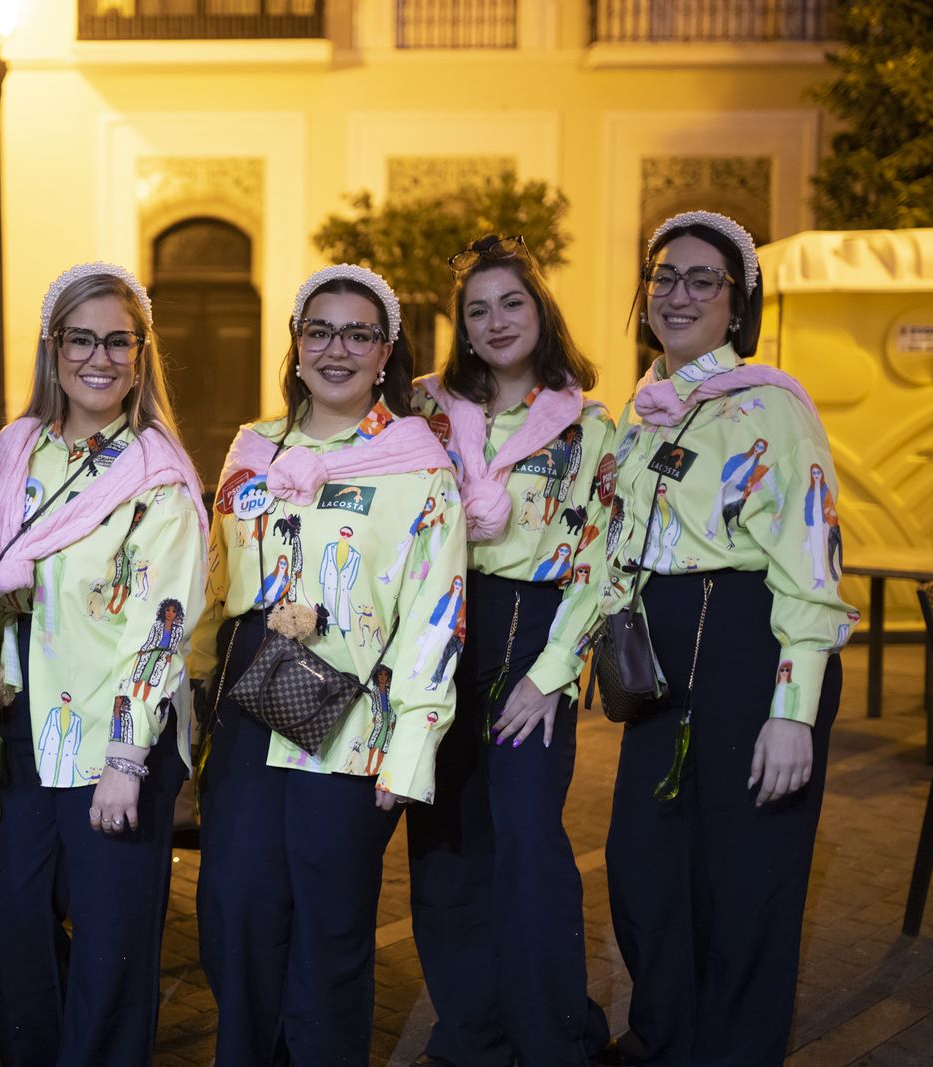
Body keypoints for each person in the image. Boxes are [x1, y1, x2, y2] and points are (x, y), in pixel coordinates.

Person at [190, 264, 467, 1065]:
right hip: (249, 702)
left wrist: (413, 746)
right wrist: (182, 692)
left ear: (387, 352)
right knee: (235, 910)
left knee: (330, 926)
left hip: (356, 717)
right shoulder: (251, 447)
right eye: (319, 330)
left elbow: (435, 612)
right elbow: (217, 580)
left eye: (358, 333)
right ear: (297, 345)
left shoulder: (419, 465)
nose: (336, 348)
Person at [598, 211, 855, 1065]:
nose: (678, 294)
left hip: (753, 648)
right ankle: (668, 1032)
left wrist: (795, 709)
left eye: (702, 279)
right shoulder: (640, 412)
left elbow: (812, 562)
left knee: (748, 880)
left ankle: (734, 1051)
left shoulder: (769, 406)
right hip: (664, 659)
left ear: (736, 304)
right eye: (665, 276)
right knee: (643, 865)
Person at [0, 262, 207, 1066]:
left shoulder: (158, 474)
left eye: (119, 340)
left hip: (117, 736)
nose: (99, 358)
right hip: (24, 728)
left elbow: (164, 628)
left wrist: (125, 758)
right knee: (14, 926)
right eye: (83, 338)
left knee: (111, 945)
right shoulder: (15, 449)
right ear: (54, 347)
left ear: (141, 354)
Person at [406, 234, 613, 1066]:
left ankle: (553, 1033)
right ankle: (472, 1032)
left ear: (542, 311)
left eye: (512, 303)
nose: (495, 321)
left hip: (537, 630)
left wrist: (553, 674)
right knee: (446, 844)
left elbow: (602, 554)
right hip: (437, 631)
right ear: (460, 323)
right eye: (477, 309)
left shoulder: (587, 425)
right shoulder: (423, 408)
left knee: (528, 840)